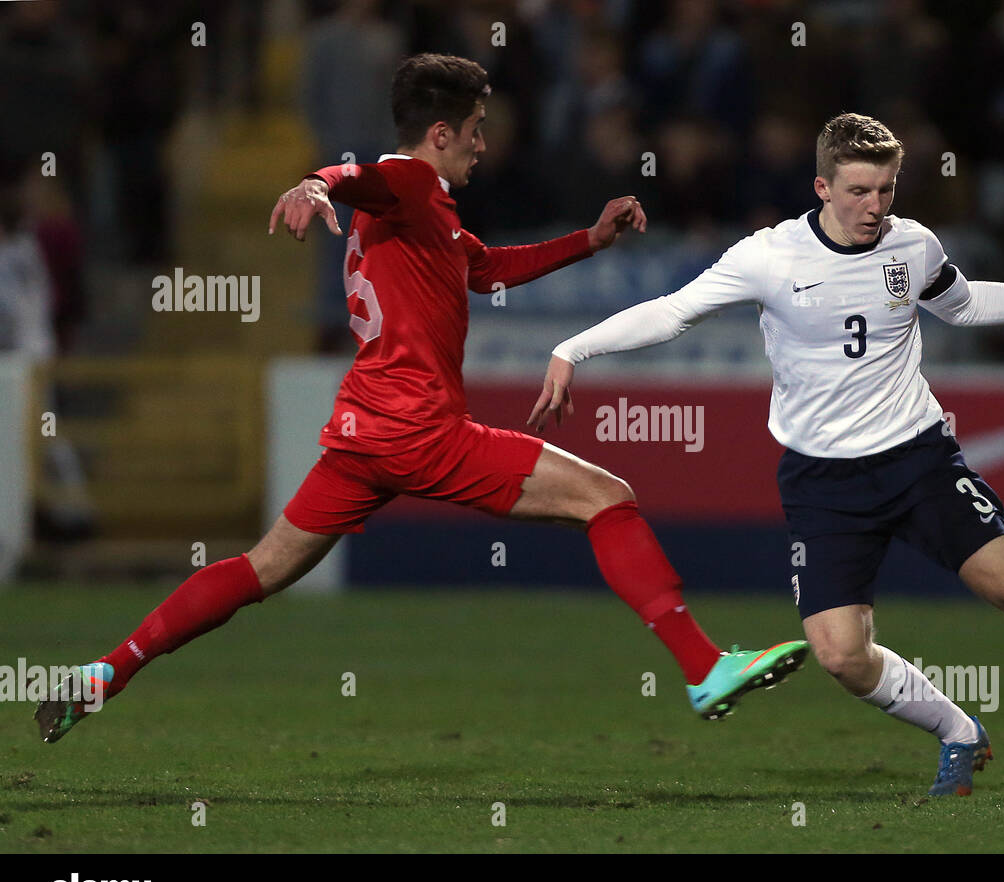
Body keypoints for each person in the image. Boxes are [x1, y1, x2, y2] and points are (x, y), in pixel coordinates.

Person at [35, 54, 807, 744]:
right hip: (420, 427)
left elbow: (486, 268)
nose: (482, 142)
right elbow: (353, 175)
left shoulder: (425, 213)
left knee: (260, 567)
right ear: (440, 132)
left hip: (362, 432)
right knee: (609, 496)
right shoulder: (405, 181)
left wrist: (589, 240)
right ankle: (703, 666)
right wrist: (313, 182)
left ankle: (108, 671)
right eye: (473, 129)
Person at [530, 113, 1004, 797]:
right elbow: (672, 312)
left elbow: (966, 306)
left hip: (917, 458)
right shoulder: (770, 256)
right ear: (823, 186)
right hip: (820, 481)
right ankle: (958, 730)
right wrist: (572, 349)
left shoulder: (912, 247)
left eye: (886, 189)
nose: (875, 206)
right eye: (859, 190)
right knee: (840, 655)